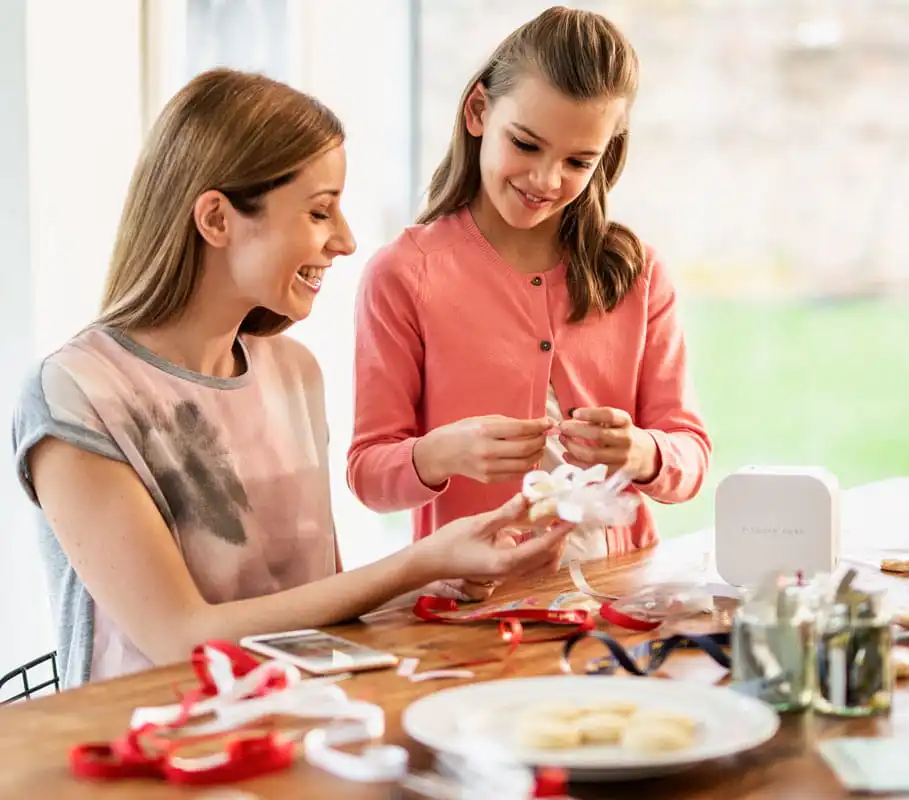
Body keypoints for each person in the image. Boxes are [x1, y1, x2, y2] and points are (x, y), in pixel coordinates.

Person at [11, 68, 568, 689]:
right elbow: (176, 637)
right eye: (319, 211)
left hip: (297, 722)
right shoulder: (78, 395)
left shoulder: (293, 373)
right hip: (146, 756)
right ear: (217, 220)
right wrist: (415, 564)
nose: (348, 240)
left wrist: (442, 576)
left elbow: (313, 606)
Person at [347, 6, 710, 598]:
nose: (546, 180)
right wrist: (441, 454)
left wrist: (640, 450)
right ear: (478, 112)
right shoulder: (404, 275)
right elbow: (368, 475)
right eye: (526, 144)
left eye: (577, 162)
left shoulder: (637, 273)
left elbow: (689, 456)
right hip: (471, 605)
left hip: (620, 598)